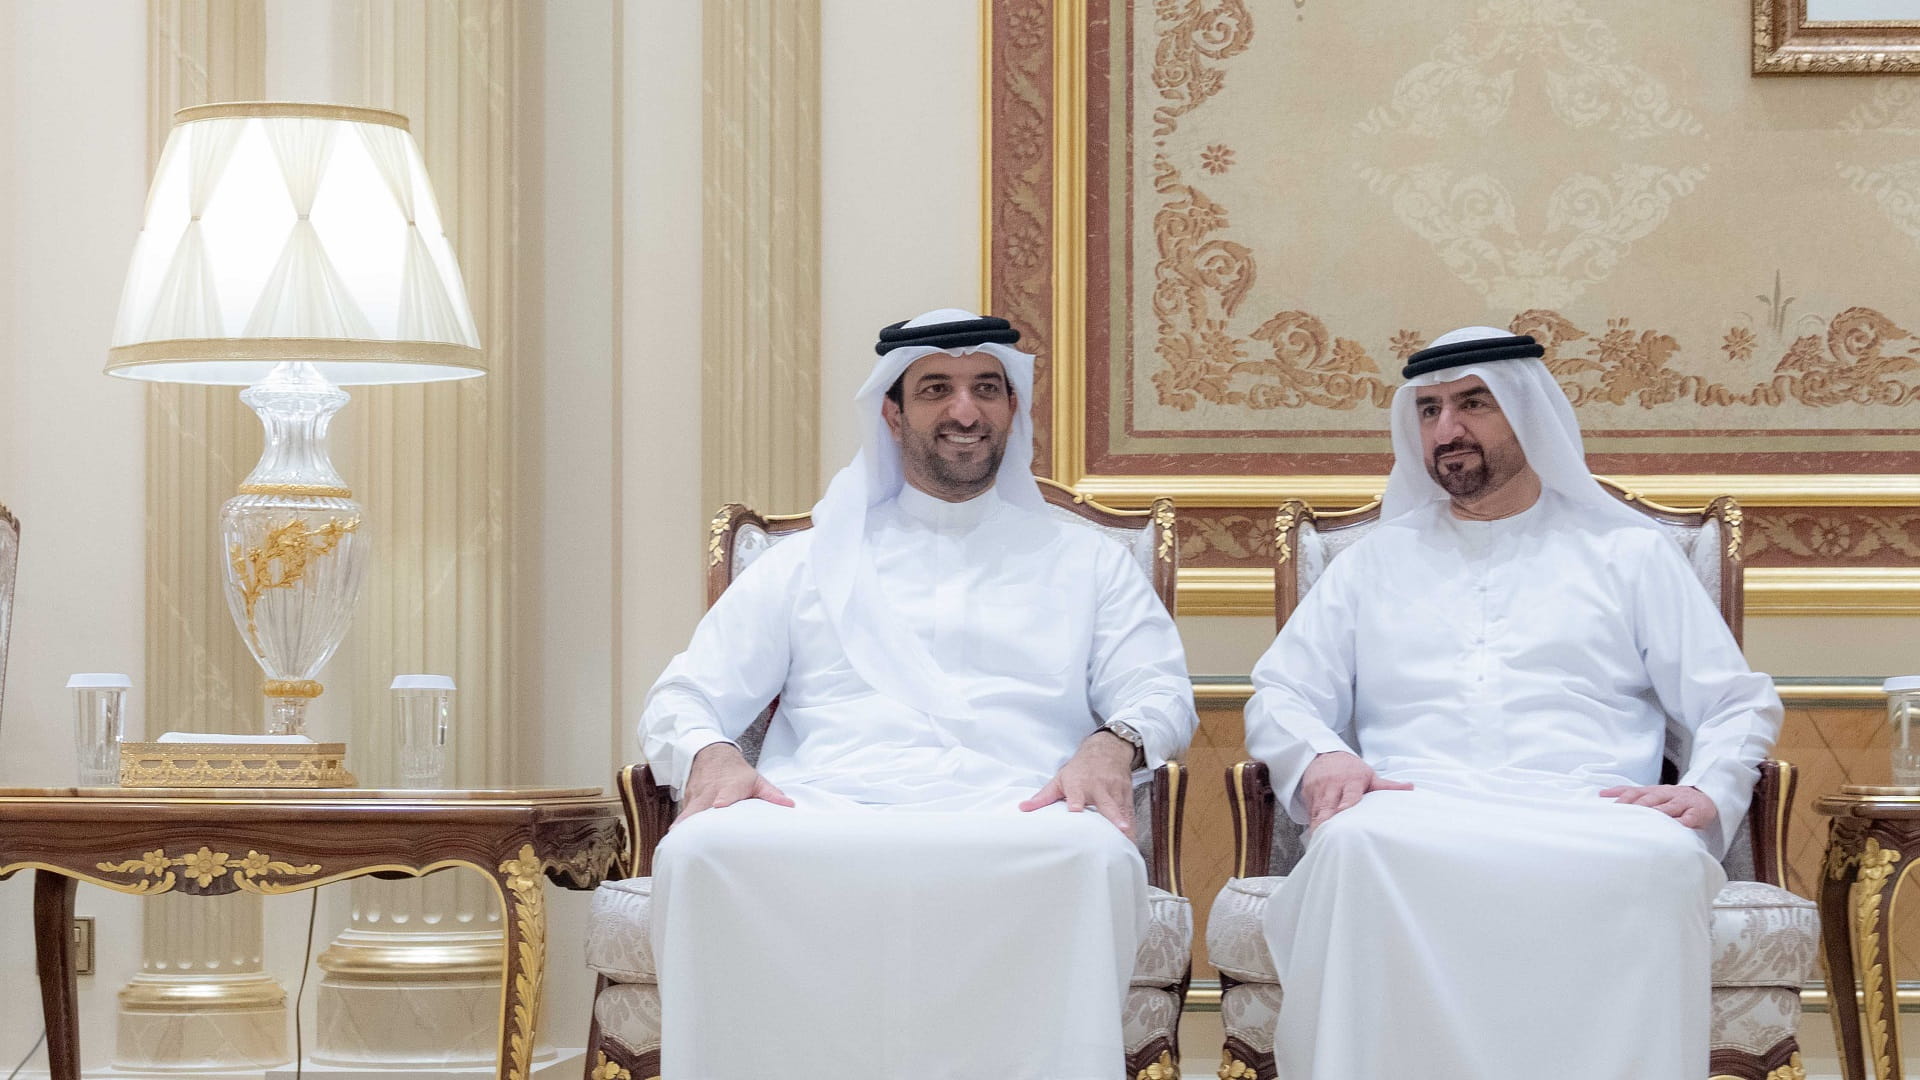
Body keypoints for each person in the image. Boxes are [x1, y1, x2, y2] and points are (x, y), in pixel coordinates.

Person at [637, 309, 1197, 1080]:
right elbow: (683, 693)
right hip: (827, 806)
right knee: (700, 851)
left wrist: (1115, 742)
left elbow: (1159, 687)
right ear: (893, 413)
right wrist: (711, 753)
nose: (965, 411)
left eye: (986, 389)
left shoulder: (1088, 562)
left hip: (1019, 809)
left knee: (1092, 855)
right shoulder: (807, 564)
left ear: (1012, 408)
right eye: (937, 389)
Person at [1242, 326, 1782, 1080]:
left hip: (1590, 808)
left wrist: (1707, 789)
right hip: (1414, 808)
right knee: (1351, 847)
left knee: (1660, 857)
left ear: (1529, 413)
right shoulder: (1373, 563)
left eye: (1473, 404)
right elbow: (1282, 691)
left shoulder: (1628, 555)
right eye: (1429, 410)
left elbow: (1736, 702)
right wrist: (1324, 754)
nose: (1447, 431)